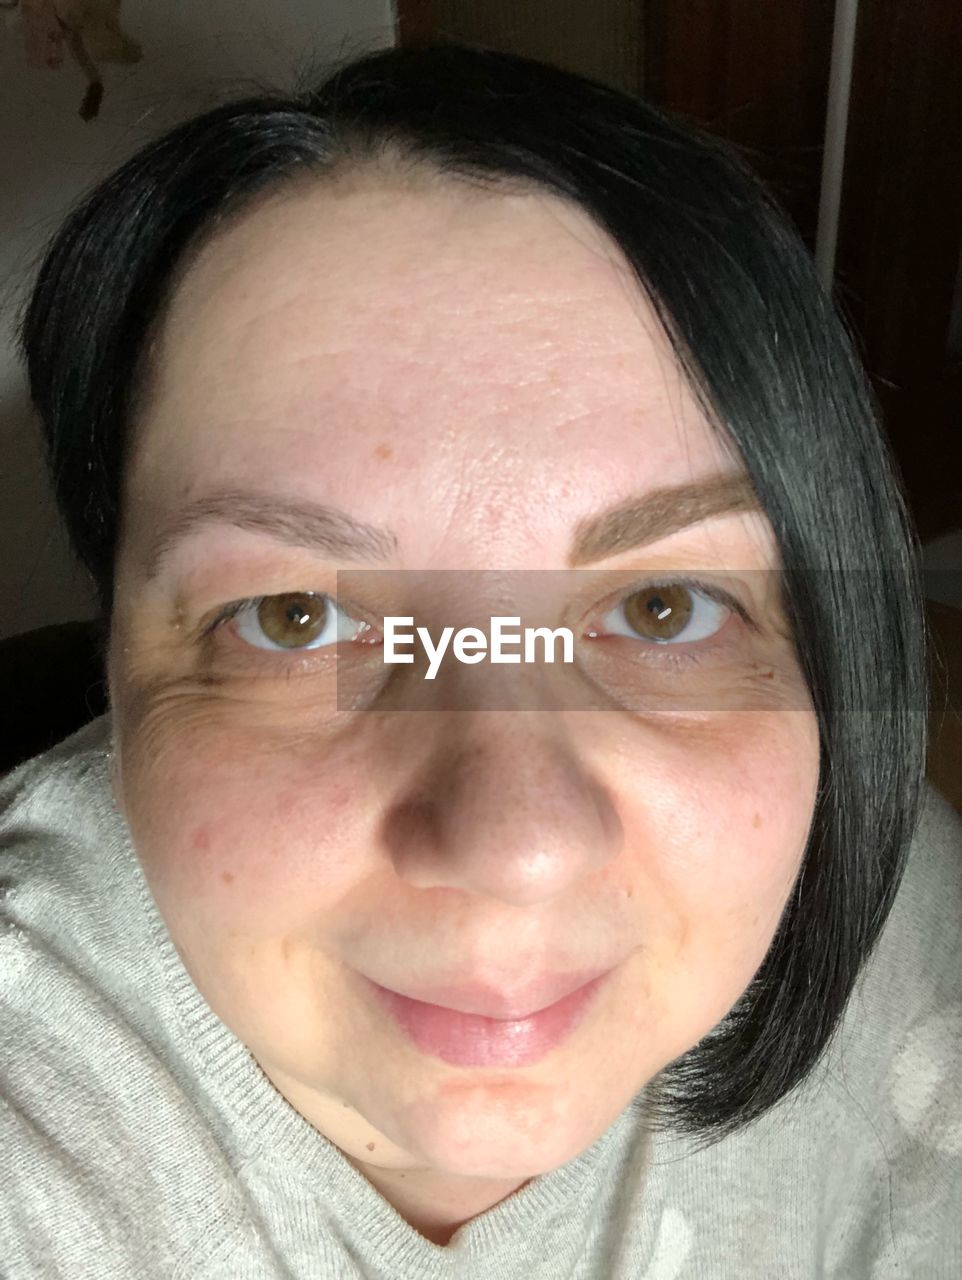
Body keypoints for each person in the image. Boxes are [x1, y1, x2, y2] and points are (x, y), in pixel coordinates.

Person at [1, 41, 959, 1277]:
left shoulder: (906, 909)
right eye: (296, 616)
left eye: (663, 606)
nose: (514, 844)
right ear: (117, 662)